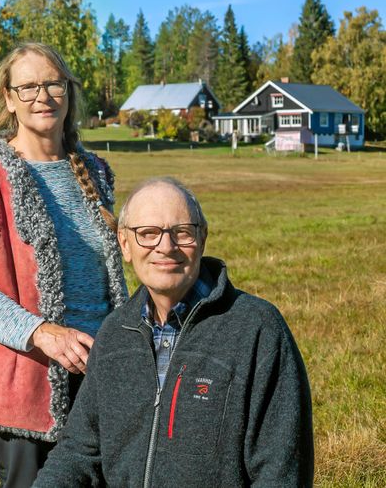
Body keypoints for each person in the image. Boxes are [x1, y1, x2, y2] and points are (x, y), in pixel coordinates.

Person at [33, 177, 314, 487]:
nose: (166, 247)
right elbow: (78, 453)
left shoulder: (256, 329)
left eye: (182, 232)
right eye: (148, 233)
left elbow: (281, 471)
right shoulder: (114, 334)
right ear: (124, 245)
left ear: (202, 238)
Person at [0, 42, 129, 487]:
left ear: (68, 92)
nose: (42, 96)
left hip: (98, 371)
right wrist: (43, 334)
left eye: (52, 84)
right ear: (9, 99)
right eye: (27, 87)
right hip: (26, 384)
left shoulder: (95, 172)